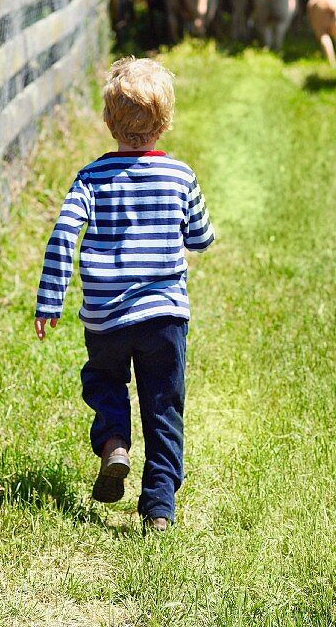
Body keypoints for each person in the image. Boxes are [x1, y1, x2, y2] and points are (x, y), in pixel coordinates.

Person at [33, 56, 214, 532]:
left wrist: (50, 299)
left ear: (109, 120)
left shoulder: (90, 177)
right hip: (164, 318)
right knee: (163, 405)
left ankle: (114, 442)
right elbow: (199, 237)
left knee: (104, 381)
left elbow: (63, 233)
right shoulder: (180, 176)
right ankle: (157, 509)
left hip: (106, 317)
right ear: (165, 121)